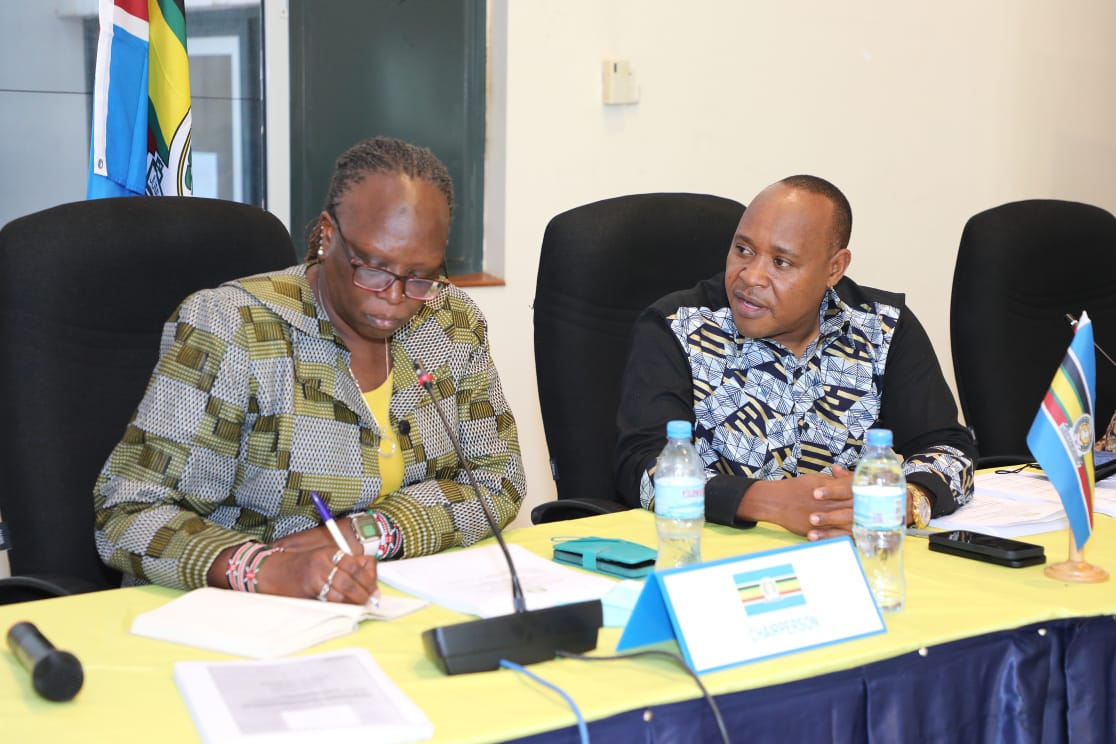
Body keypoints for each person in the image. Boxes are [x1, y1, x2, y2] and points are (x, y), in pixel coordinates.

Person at [94, 136, 526, 604]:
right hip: (230, 611)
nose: (396, 297)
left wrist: (373, 531)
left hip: (385, 600)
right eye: (374, 268)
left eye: (420, 276)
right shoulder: (232, 327)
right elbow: (126, 512)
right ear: (327, 235)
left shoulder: (449, 321)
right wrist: (265, 568)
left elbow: (499, 479)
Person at [615, 175, 975, 540]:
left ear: (834, 268)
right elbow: (642, 468)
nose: (751, 276)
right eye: (743, 250)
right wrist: (767, 502)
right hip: (712, 558)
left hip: (848, 558)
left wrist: (905, 502)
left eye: (781, 262)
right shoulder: (677, 326)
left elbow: (948, 448)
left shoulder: (882, 328)